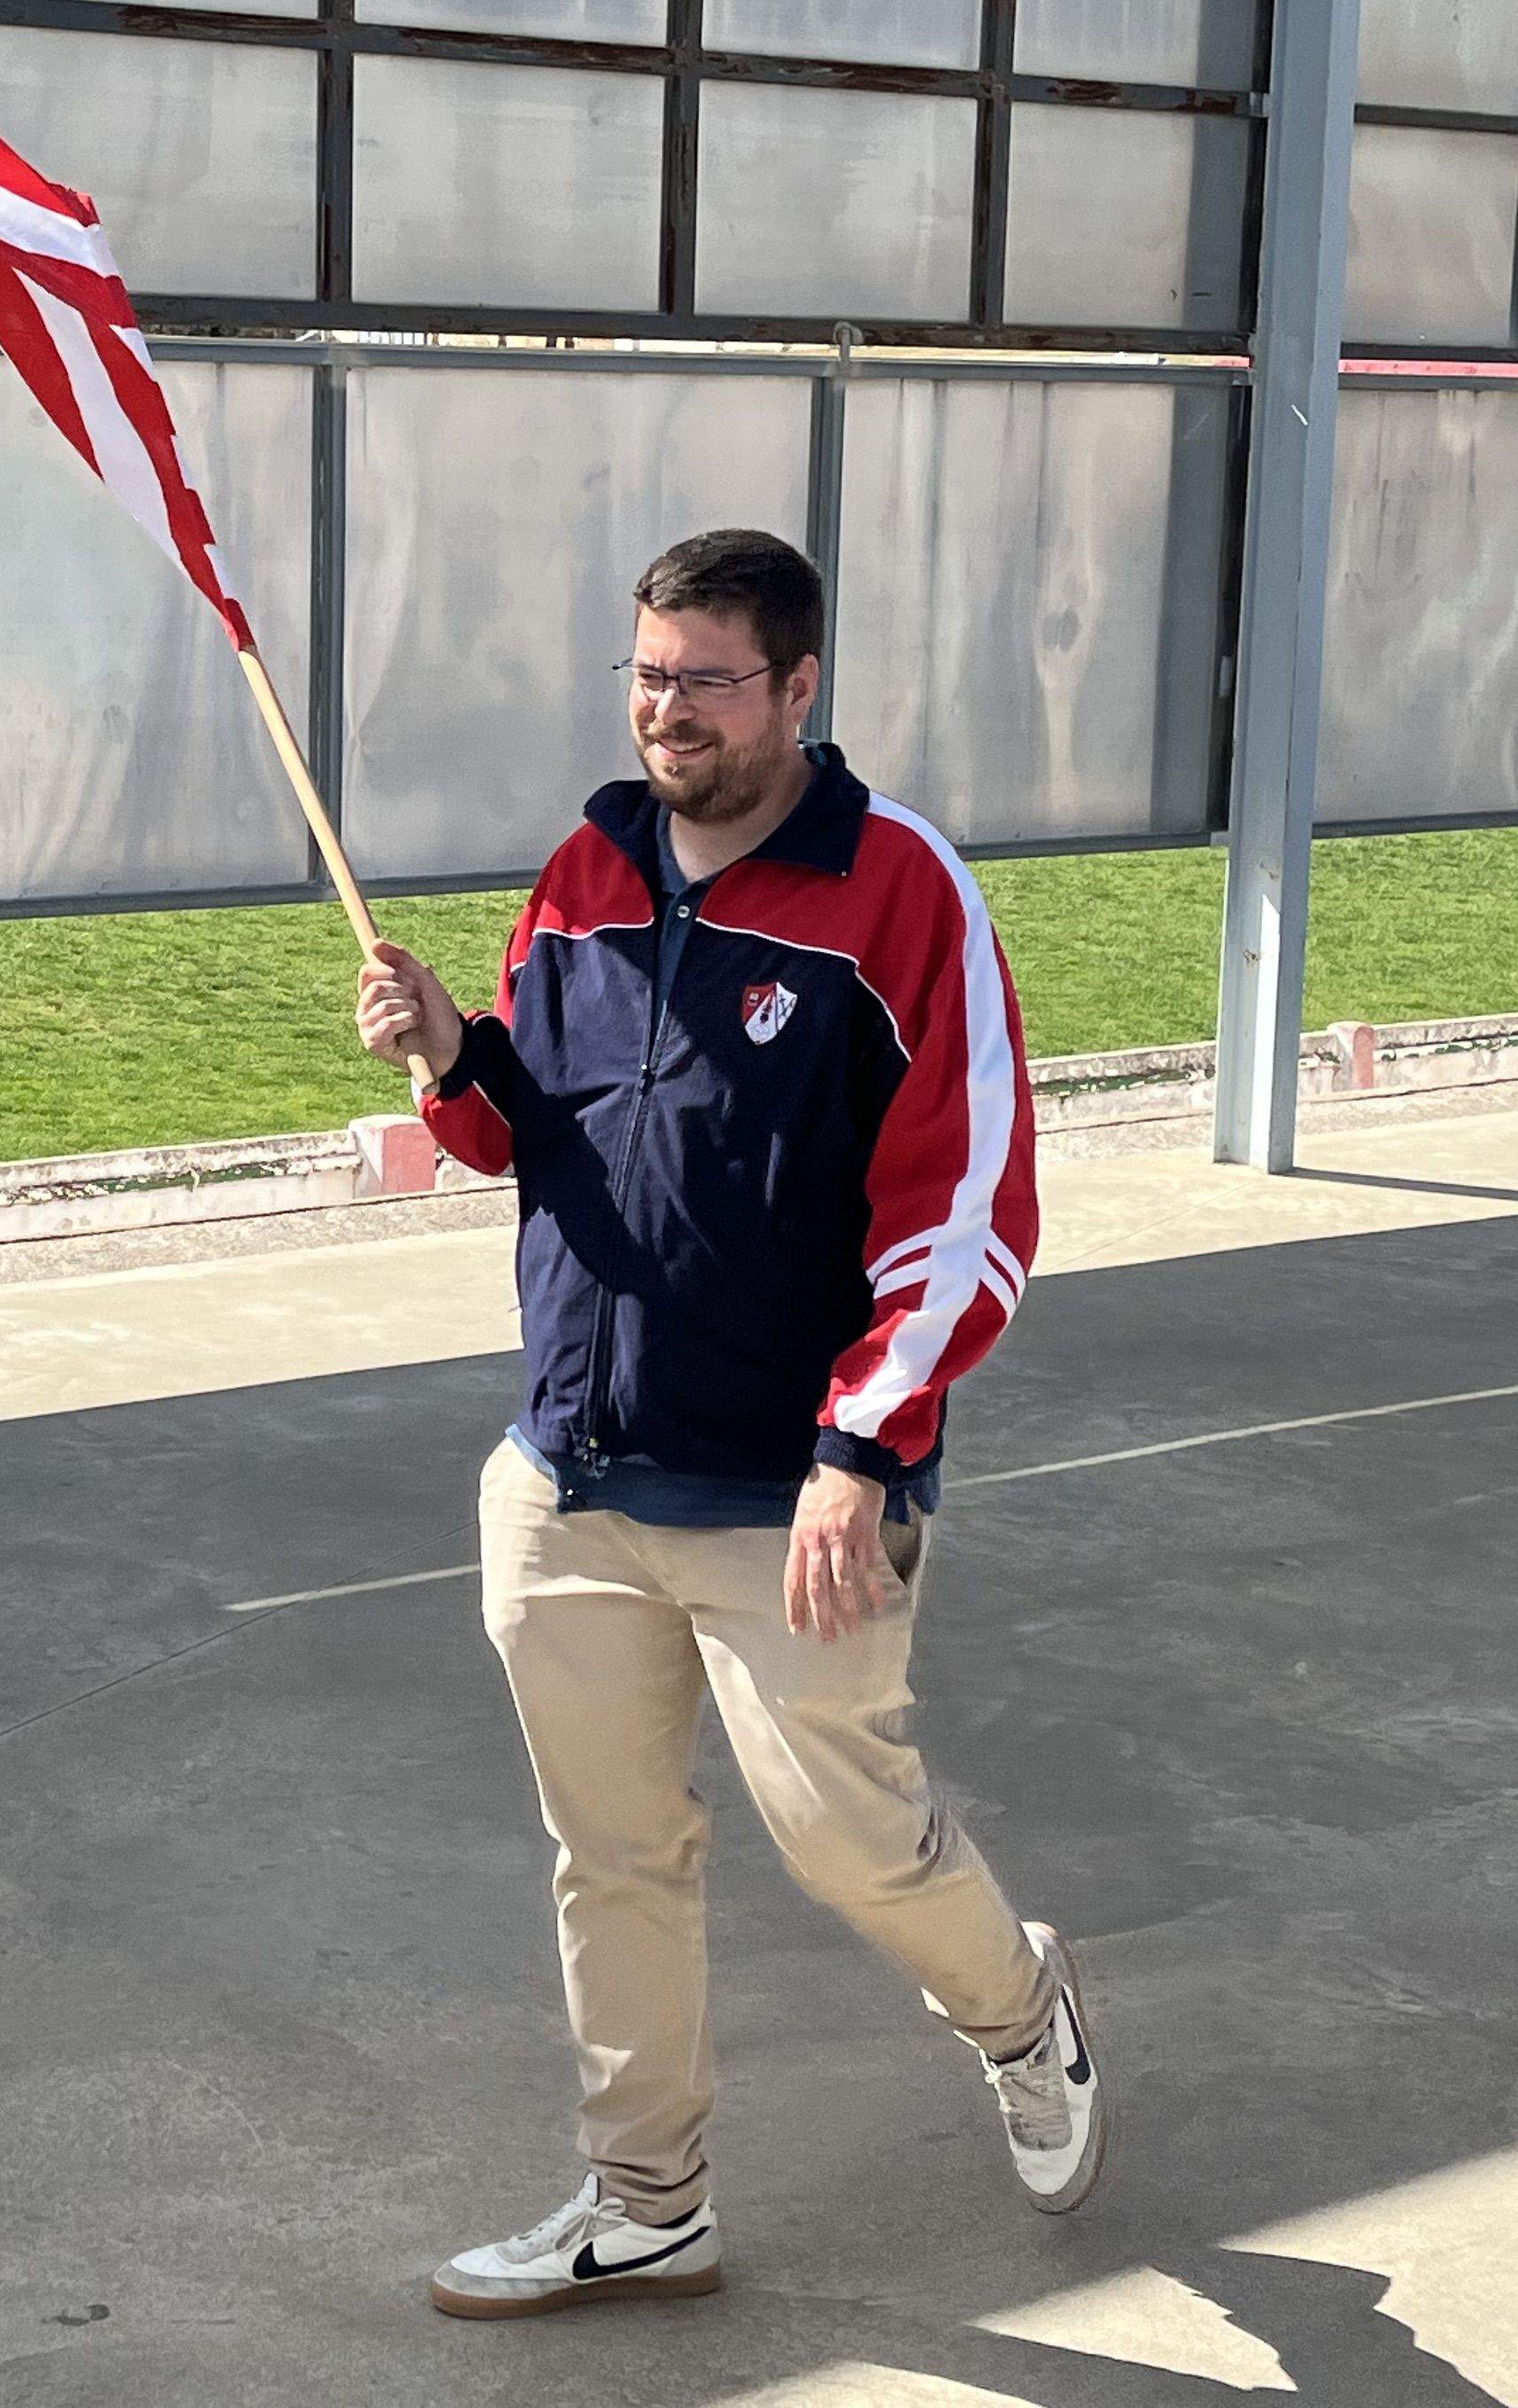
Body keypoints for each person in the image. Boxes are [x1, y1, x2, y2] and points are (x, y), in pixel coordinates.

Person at [354, 528, 1097, 2322]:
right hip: (567, 1475)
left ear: (799, 691)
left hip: (792, 1494)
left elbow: (974, 1210)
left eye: (706, 677)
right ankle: (647, 2199)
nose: (665, 708)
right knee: (610, 1857)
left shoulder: (900, 889)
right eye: (647, 671)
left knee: (853, 1842)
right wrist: (453, 1049)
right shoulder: (590, 866)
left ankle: (1019, 2013)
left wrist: (861, 1450)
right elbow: (528, 1128)